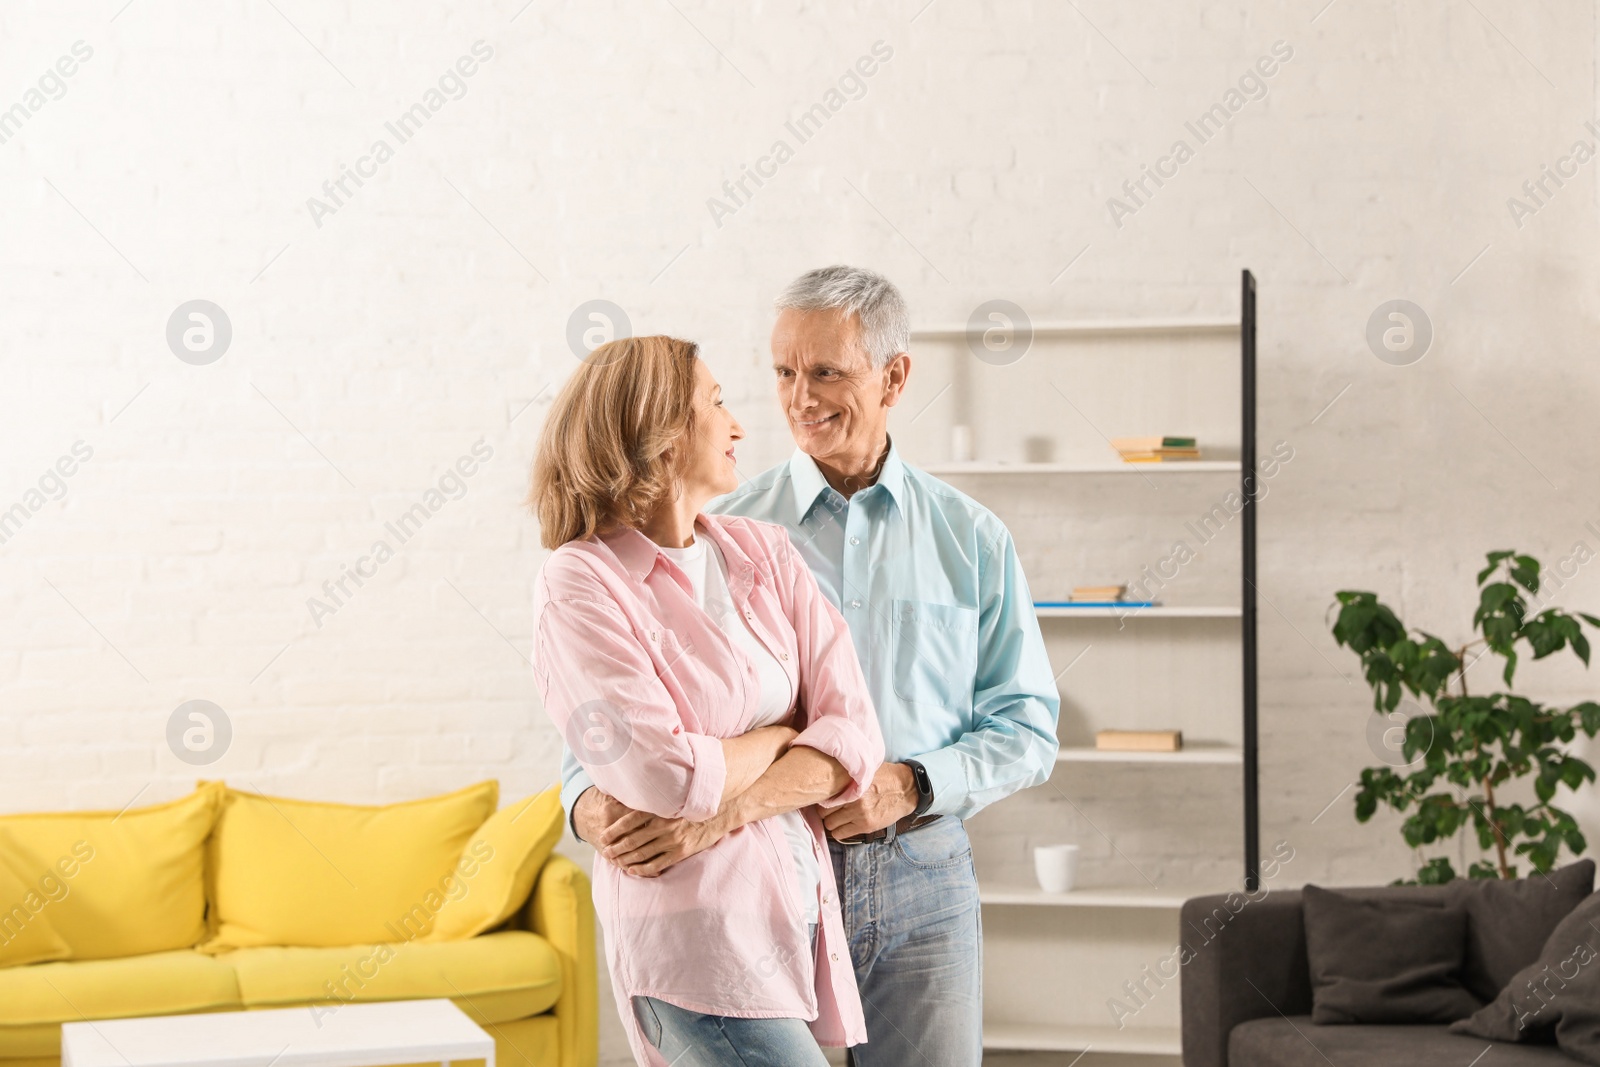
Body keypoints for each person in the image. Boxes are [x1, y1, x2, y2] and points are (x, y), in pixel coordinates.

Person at [563, 266, 1062, 1066]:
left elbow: (1028, 726)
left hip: (921, 875)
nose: (799, 397)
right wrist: (595, 812)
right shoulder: (719, 525)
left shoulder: (971, 538)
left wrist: (911, 782)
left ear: (894, 376)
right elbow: (599, 733)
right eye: (785, 372)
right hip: (758, 869)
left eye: (827, 371)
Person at [529, 334, 886, 1067]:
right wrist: (783, 736)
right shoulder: (582, 583)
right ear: (658, 432)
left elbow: (854, 734)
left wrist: (728, 794)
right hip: (696, 950)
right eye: (715, 403)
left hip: (795, 927)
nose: (738, 424)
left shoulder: (765, 552)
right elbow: (662, 777)